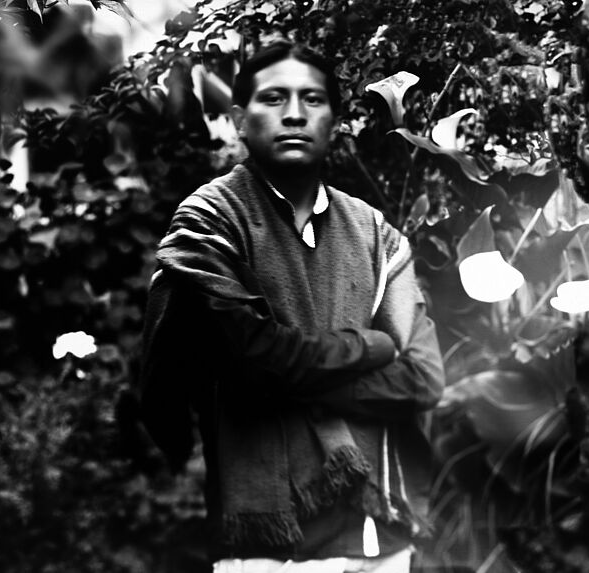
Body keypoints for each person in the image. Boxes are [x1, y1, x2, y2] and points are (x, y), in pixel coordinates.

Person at [139, 40, 445, 573]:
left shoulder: (376, 235)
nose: (296, 114)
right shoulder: (211, 223)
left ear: (334, 118)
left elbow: (421, 377)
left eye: (313, 100)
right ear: (239, 118)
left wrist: (297, 379)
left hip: (377, 534)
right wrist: (371, 346)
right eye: (275, 98)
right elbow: (254, 361)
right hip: (267, 543)